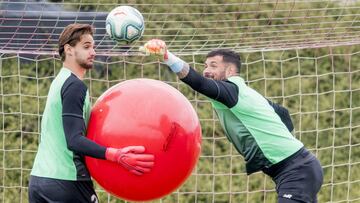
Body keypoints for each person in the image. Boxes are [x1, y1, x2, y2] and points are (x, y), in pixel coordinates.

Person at [141, 39, 323, 203]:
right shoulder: (247, 93)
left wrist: (167, 56)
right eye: (205, 66)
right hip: (298, 168)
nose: (206, 71)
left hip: (297, 171)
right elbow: (283, 114)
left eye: (213, 66)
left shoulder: (232, 91)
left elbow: (199, 83)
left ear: (229, 71)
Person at [28, 24, 155, 203]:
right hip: (67, 180)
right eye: (87, 47)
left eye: (93, 47)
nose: (93, 52)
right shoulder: (74, 86)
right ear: (69, 49)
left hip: (39, 181)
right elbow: (74, 140)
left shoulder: (59, 81)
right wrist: (116, 155)